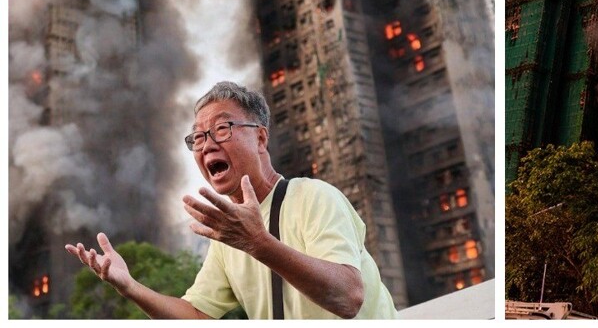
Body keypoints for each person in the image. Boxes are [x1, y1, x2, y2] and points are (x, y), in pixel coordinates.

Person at [66, 81, 397, 319]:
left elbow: (349, 297)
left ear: (261, 138)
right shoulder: (228, 239)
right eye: (198, 137)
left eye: (222, 128)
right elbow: (197, 314)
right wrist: (130, 287)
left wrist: (256, 242)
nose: (207, 144)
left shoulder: (314, 197)